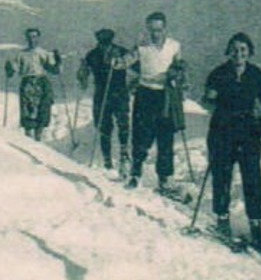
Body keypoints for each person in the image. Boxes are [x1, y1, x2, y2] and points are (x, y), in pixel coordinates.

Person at [202, 32, 261, 248]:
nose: (238, 54)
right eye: (234, 49)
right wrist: (213, 103)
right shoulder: (218, 73)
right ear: (228, 51)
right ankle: (222, 219)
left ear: (249, 52)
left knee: (252, 176)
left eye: (243, 50)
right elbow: (208, 101)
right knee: (222, 175)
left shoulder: (257, 74)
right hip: (223, 130)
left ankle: (255, 224)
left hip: (249, 131)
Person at [125, 11, 186, 191]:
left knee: (166, 137)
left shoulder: (174, 46)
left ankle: (165, 179)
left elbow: (180, 65)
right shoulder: (141, 46)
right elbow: (126, 61)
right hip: (145, 94)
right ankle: (135, 174)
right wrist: (117, 61)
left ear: (165, 29)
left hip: (165, 95)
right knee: (141, 135)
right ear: (147, 29)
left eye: (158, 29)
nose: (155, 33)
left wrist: (178, 72)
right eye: (151, 29)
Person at [78, 28, 130, 175]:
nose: (104, 44)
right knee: (103, 126)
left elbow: (136, 67)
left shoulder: (121, 52)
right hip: (101, 94)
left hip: (119, 93)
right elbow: (83, 77)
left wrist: (132, 85)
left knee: (123, 124)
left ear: (111, 40)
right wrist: (82, 71)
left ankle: (124, 154)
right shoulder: (92, 55)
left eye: (106, 41)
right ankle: (107, 161)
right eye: (101, 41)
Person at [6, 27, 61, 142]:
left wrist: (58, 62)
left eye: (34, 36)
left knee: (43, 108)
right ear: (26, 38)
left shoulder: (44, 53)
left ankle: (38, 139)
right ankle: (29, 139)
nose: (32, 39)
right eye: (29, 37)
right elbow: (13, 71)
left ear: (38, 38)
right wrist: (9, 69)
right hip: (27, 82)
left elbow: (54, 70)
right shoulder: (21, 55)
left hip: (42, 81)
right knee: (28, 109)